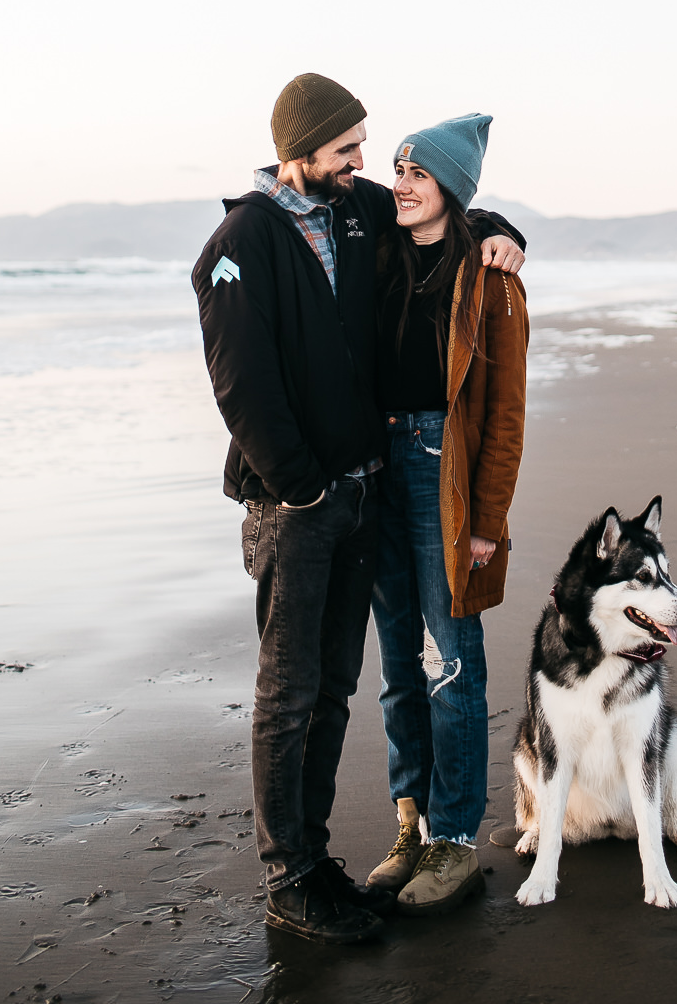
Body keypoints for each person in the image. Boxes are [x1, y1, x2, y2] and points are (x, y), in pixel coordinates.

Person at [191, 75, 525, 946]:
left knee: (348, 682)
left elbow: (451, 212)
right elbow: (240, 382)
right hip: (301, 498)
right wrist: (301, 482)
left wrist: (500, 232)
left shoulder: (352, 213)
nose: (371, 169)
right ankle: (294, 873)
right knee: (295, 692)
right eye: (352, 152)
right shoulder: (245, 239)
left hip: (375, 484)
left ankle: (352, 854)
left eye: (378, 157)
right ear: (304, 150)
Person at [365, 114, 529, 914]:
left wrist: (488, 522)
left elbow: (504, 416)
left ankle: (456, 839)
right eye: (396, 168)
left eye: (416, 173)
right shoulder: (377, 252)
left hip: (446, 471)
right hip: (377, 466)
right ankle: (413, 821)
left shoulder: (493, 280)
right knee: (398, 660)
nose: (398, 183)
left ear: (450, 188)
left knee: (451, 656)